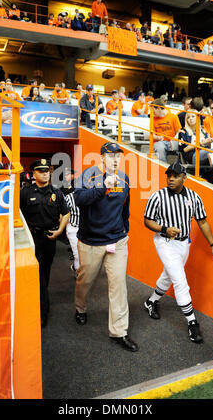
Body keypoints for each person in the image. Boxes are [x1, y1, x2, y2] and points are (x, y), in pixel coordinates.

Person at [144, 161, 213, 343]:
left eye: (175, 176)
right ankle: (192, 323)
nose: (171, 179)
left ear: (184, 177)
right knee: (180, 281)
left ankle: (150, 302)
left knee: (168, 275)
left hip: (183, 244)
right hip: (165, 242)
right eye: (169, 176)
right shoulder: (157, 197)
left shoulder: (193, 197)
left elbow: (202, 222)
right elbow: (148, 221)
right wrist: (165, 229)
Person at [74, 141, 138, 352]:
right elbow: (79, 200)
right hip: (91, 240)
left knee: (119, 286)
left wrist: (124, 230)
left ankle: (119, 332)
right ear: (101, 157)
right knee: (85, 281)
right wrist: (103, 187)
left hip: (117, 240)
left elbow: (125, 208)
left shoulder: (124, 179)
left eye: (118, 156)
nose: (115, 159)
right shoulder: (88, 175)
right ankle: (80, 308)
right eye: (111, 156)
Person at [20, 159, 70, 327]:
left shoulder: (57, 193)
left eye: (47, 171)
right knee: (39, 273)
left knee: (45, 273)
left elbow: (66, 213)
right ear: (33, 174)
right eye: (41, 171)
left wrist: (60, 230)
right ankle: (42, 311)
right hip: (32, 239)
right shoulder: (25, 193)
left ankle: (40, 298)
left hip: (50, 239)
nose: (45, 173)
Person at [61, 167, 80, 277]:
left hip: (83, 225)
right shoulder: (65, 189)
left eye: (69, 174)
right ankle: (78, 270)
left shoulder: (77, 186)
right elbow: (64, 210)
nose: (67, 176)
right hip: (72, 225)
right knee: (77, 254)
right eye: (66, 175)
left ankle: (76, 266)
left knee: (83, 253)